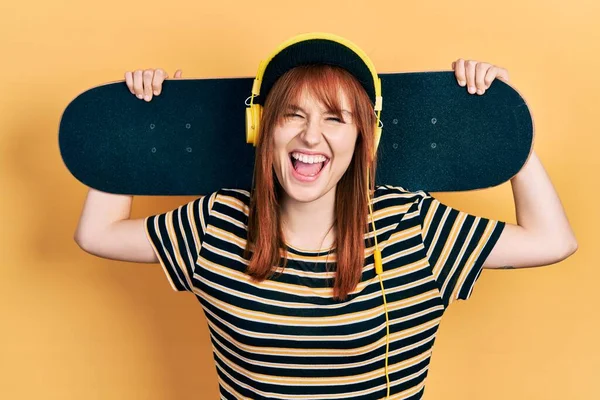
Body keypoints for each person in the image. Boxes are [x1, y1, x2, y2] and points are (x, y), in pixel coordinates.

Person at [74, 34, 577, 400]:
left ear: (365, 139)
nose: (311, 136)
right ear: (262, 129)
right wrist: (132, 129)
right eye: (292, 114)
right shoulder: (217, 224)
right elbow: (97, 233)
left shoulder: (412, 227)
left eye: (335, 118)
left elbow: (551, 240)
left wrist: (506, 126)